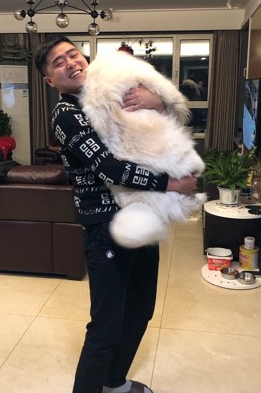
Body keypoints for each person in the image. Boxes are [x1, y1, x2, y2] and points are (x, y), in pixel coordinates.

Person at [34, 35, 198, 393]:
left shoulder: (110, 92)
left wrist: (157, 100)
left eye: (73, 54)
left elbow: (159, 127)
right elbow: (109, 168)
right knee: (106, 326)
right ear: (50, 80)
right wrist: (171, 184)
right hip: (105, 223)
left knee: (140, 309)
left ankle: (114, 382)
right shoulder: (67, 115)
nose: (70, 63)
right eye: (59, 63)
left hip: (143, 214)